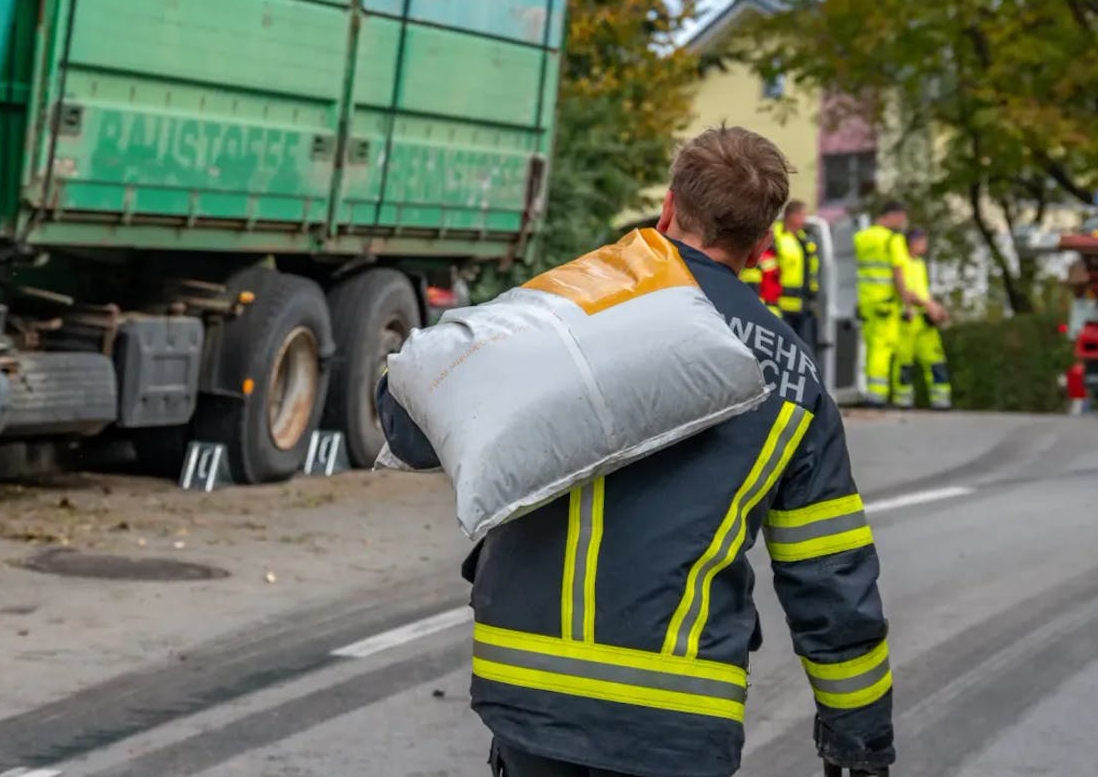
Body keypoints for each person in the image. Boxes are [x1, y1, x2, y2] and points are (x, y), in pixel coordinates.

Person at [377, 125, 895, 777]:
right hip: (678, 715)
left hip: (528, 693)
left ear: (669, 207)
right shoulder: (794, 379)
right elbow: (830, 577)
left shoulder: (569, 307)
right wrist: (859, 737)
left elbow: (409, 427)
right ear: (761, 242)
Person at [852, 201, 910, 406]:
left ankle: (870, 392)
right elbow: (898, 273)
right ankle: (877, 396)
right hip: (886, 303)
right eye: (901, 217)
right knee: (883, 349)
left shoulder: (861, 236)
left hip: (866, 301)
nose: (902, 222)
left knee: (870, 348)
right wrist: (907, 303)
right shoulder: (892, 239)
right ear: (892, 215)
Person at [893, 229, 951, 410]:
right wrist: (929, 306)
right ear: (913, 242)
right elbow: (908, 293)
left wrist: (937, 308)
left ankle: (940, 400)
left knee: (935, 360)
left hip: (925, 321)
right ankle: (903, 400)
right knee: (905, 363)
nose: (924, 246)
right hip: (910, 320)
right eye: (922, 242)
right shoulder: (904, 264)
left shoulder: (919, 264)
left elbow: (923, 292)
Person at [772, 201, 822, 353]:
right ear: (791, 216)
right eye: (802, 215)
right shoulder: (776, 238)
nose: (804, 219)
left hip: (804, 306)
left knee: (803, 349)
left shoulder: (806, 240)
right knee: (782, 349)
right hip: (782, 305)